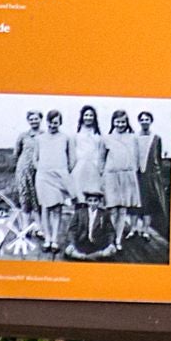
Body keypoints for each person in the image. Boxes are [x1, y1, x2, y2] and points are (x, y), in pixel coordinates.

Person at [67, 105, 109, 255]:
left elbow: (101, 155)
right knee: (79, 202)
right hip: (80, 169)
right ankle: (78, 234)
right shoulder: (76, 135)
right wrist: (72, 171)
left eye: (91, 115)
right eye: (86, 115)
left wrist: (101, 170)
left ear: (94, 117)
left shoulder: (99, 136)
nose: (88, 118)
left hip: (93, 169)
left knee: (92, 201)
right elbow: (72, 156)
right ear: (82, 117)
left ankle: (94, 234)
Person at [102, 110, 144, 251]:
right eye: (117, 122)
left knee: (122, 210)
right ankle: (110, 239)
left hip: (127, 176)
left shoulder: (133, 138)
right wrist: (102, 176)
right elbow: (101, 159)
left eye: (123, 122)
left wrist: (133, 173)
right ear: (113, 122)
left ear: (127, 123)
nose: (120, 124)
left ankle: (118, 240)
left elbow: (137, 158)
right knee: (112, 209)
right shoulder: (106, 138)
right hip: (111, 176)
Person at [33, 109, 72, 254]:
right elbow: (35, 159)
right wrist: (42, 170)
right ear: (47, 122)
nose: (53, 125)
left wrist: (63, 173)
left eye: (56, 122)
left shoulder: (66, 138)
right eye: (50, 122)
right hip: (43, 177)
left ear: (60, 123)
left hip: (59, 176)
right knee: (45, 208)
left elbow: (71, 160)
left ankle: (55, 240)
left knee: (57, 208)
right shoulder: (39, 139)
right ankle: (47, 239)